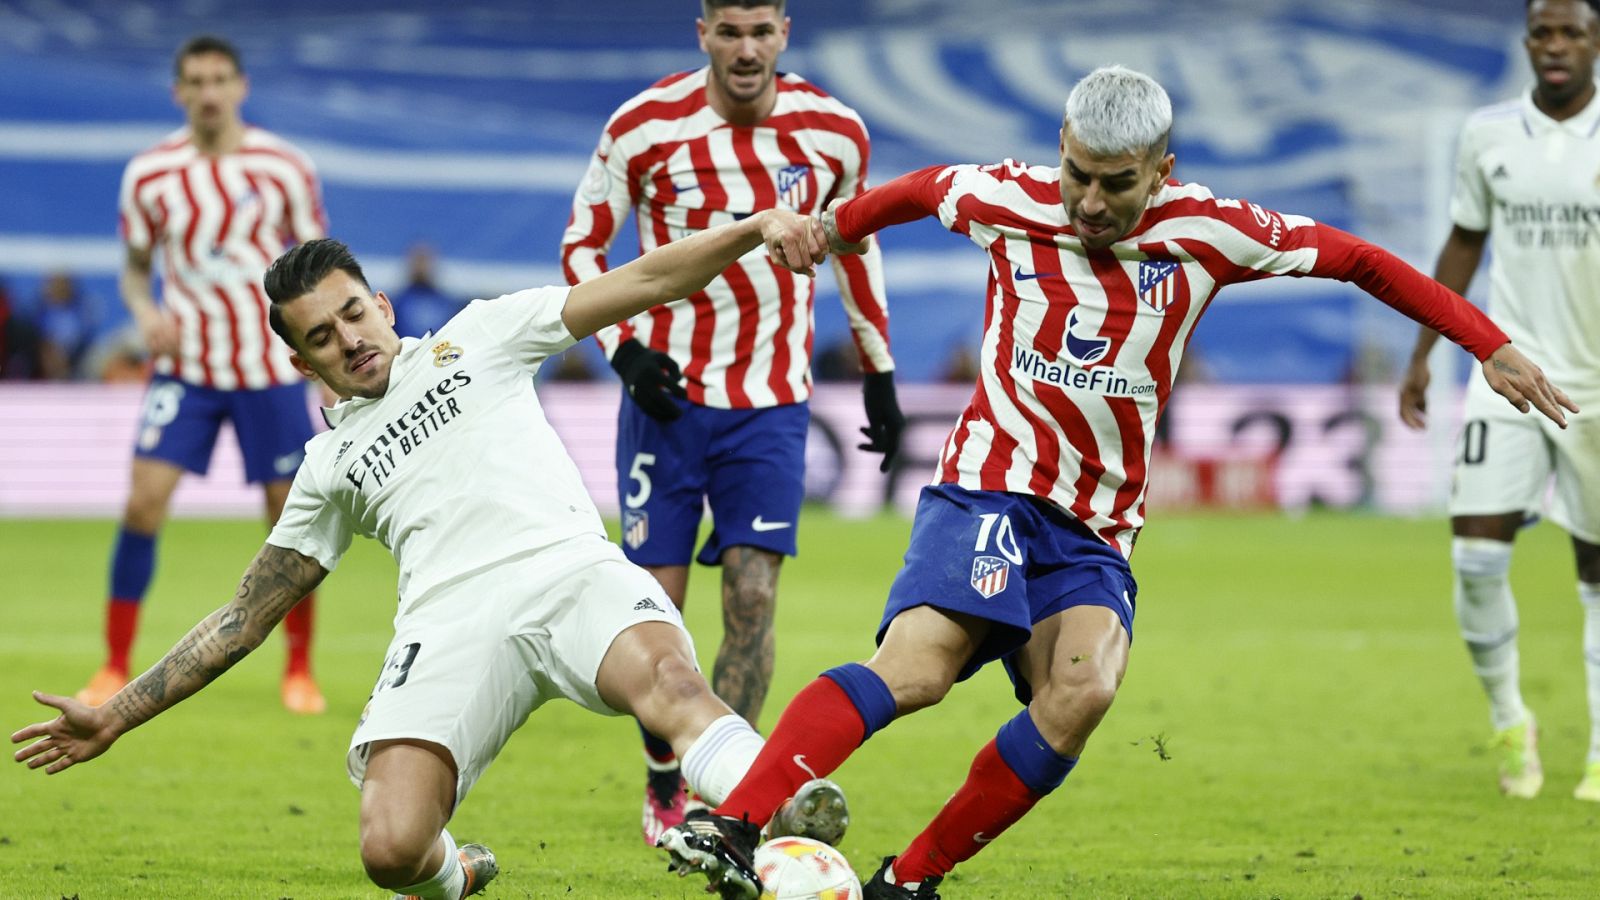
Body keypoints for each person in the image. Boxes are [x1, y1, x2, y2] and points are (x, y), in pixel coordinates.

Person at [656, 65, 1579, 900]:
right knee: (918, 672)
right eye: (1079, 175)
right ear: (1061, 146)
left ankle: (909, 880)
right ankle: (732, 825)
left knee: (1083, 692)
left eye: (1118, 184)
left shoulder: (1213, 233)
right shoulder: (1008, 197)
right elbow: (917, 191)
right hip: (991, 486)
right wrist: (831, 228)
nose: (1091, 203)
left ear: (1162, 170)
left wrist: (1487, 345)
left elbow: (1362, 261)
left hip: (1097, 525)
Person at [12, 217, 852, 900]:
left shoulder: (480, 336)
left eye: (353, 313)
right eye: (321, 337)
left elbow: (647, 279)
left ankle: (780, 815)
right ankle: (456, 876)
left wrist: (753, 230)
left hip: (570, 573)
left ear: (381, 304)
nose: (348, 339)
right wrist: (116, 714)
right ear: (301, 362)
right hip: (450, 626)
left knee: (670, 684)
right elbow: (243, 619)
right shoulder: (326, 468)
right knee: (390, 848)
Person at [559, 0, 905, 844]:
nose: (746, 50)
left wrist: (879, 371)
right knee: (655, 613)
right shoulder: (643, 126)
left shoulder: (835, 133)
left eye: (761, 32)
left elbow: (857, 247)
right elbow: (581, 247)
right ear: (703, 33)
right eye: (729, 32)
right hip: (667, 400)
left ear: (784, 30)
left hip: (772, 402)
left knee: (752, 597)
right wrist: (624, 353)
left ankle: (729, 805)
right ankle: (665, 773)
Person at [76, 35, 330, 714]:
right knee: (142, 504)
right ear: (179, 92)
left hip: (269, 368)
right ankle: (113, 663)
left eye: (220, 79)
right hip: (186, 369)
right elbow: (135, 271)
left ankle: (298, 668)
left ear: (240, 86)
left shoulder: (284, 167)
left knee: (289, 520)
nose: (209, 92)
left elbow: (317, 267)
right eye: (196, 81)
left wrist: (322, 357)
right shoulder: (150, 173)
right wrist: (144, 313)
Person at [1398, 0, 1600, 802]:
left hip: (1596, 386)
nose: (1555, 45)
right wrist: (1424, 354)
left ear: (1596, 41)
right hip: (1507, 369)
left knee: (1596, 573)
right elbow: (1464, 241)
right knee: (1475, 556)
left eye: (1572, 32)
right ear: (1526, 42)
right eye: (1542, 32)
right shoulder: (1487, 134)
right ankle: (1512, 721)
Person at [390, 244, 465, 339]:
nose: (421, 267)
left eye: (424, 261)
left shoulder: (446, 304)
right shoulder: (397, 304)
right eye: (418, 261)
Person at [34, 271, 98, 381]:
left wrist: (65, 358)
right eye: (54, 282)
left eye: (63, 282)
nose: (59, 287)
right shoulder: (39, 312)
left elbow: (83, 341)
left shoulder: (82, 313)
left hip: (76, 367)